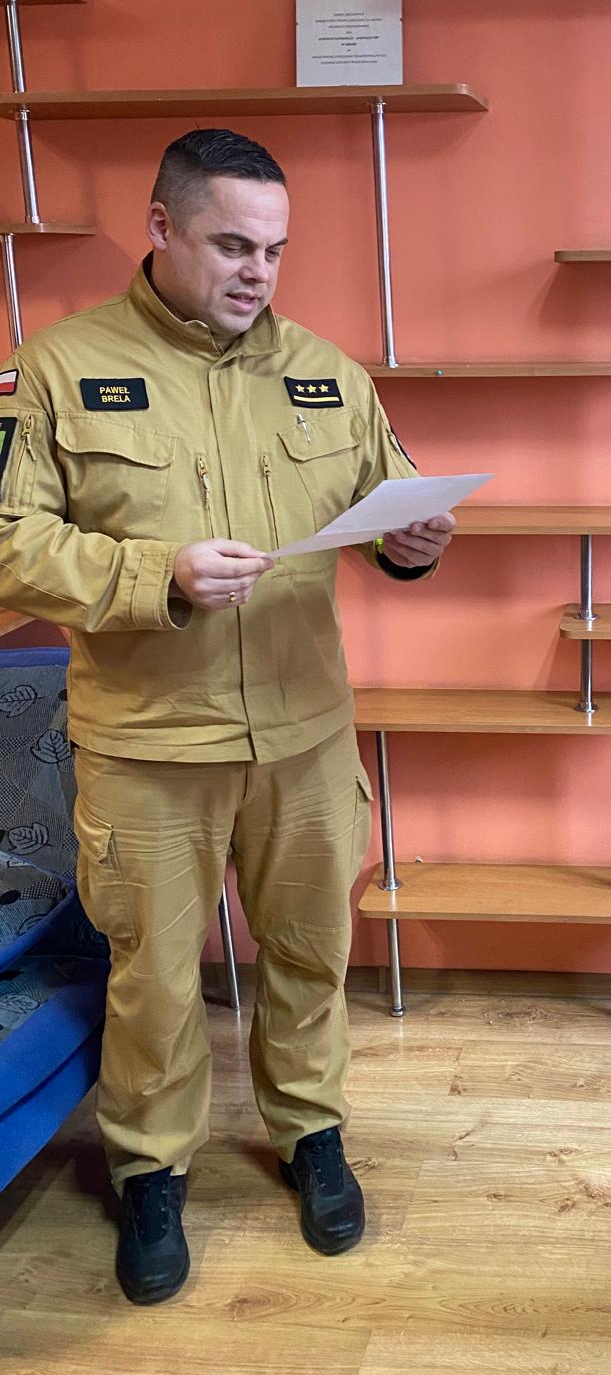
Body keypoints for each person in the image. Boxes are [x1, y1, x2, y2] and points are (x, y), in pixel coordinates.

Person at [0, 129, 455, 1305]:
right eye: (233, 245)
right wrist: (154, 573)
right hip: (152, 745)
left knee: (310, 951)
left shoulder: (327, 372)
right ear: (161, 227)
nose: (259, 272)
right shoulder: (56, 368)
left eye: (276, 250)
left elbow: (386, 502)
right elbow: (10, 543)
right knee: (154, 975)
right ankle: (150, 1168)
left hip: (306, 736)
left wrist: (414, 543)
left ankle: (311, 1131)